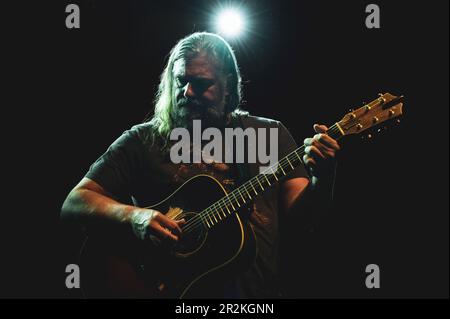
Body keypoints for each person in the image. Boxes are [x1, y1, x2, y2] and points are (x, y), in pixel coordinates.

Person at [61, 32, 340, 298]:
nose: (188, 91)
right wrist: (136, 217)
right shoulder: (143, 140)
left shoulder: (267, 136)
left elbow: (305, 219)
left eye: (202, 83)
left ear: (228, 86)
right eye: (180, 81)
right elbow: (75, 203)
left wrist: (323, 177)